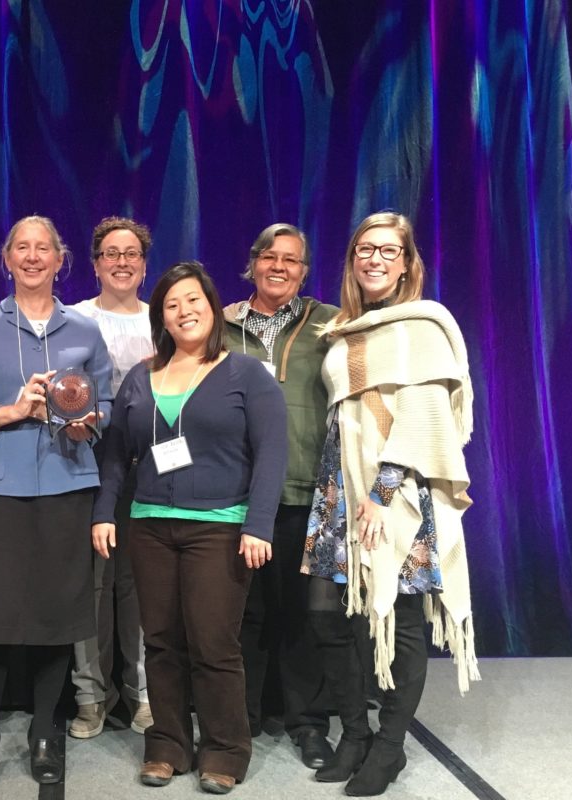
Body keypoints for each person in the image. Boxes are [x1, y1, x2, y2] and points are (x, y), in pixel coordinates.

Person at [93, 261, 288, 795]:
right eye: (172, 305)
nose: (184, 311)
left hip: (220, 529)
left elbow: (272, 454)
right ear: (161, 317)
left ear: (211, 306)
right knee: (160, 641)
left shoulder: (246, 374)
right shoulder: (140, 376)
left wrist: (260, 525)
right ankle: (168, 744)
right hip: (150, 526)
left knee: (213, 643)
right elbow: (115, 457)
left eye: (193, 301)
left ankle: (224, 749)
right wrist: (104, 513)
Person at [301, 212, 477, 796]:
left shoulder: (424, 326)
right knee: (330, 616)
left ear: (406, 263)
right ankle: (354, 732)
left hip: (392, 493)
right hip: (338, 489)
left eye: (387, 250)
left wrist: (380, 493)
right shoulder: (345, 328)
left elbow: (425, 416)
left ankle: (390, 743)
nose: (374, 259)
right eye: (363, 250)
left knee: (397, 622)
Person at [0, 215, 112, 787]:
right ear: (6, 259)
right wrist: (12, 411)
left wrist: (87, 421)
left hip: (66, 489)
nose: (33, 257)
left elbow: (104, 404)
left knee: (55, 619)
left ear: (61, 261)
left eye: (44, 249)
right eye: (22, 248)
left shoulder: (84, 330)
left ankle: (44, 733)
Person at [222, 223, 339, 768]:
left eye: (290, 260)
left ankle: (308, 723)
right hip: (233, 497)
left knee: (299, 616)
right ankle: (238, 721)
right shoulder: (221, 324)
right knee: (242, 616)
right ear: (252, 262)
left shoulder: (332, 325)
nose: (278, 266)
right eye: (268, 256)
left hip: (302, 491)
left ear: (304, 270)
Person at [68, 216, 154, 739]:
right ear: (96, 263)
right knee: (91, 588)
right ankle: (90, 696)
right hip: (85, 468)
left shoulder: (162, 318)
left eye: (131, 253)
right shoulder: (73, 318)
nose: (121, 262)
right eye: (111, 254)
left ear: (144, 263)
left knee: (141, 585)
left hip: (149, 472)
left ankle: (144, 694)